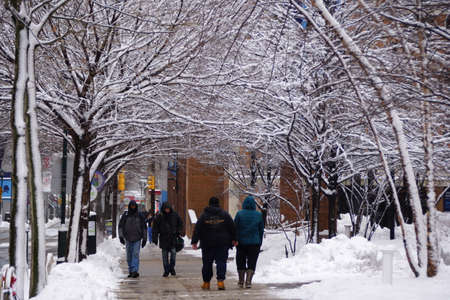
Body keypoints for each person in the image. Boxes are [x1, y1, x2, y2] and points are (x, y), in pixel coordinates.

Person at [191, 197, 237, 291]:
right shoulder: (225, 214)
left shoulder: (204, 216)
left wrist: (194, 241)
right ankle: (220, 282)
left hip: (207, 243)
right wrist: (234, 239)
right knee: (221, 262)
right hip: (222, 243)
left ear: (209, 204)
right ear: (218, 204)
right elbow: (232, 227)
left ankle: (206, 283)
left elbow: (197, 229)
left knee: (207, 263)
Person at [234, 195, 264, 288]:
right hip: (254, 243)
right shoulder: (259, 215)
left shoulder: (239, 214)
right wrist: (260, 241)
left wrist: (235, 240)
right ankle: (248, 281)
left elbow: (235, 228)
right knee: (252, 261)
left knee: (240, 261)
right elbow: (261, 230)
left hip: (241, 243)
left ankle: (241, 280)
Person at [152, 202, 184, 277]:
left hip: (172, 238)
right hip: (163, 238)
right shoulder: (159, 216)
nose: (167, 210)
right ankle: (166, 270)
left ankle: (172, 268)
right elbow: (155, 228)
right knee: (164, 256)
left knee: (173, 254)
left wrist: (178, 231)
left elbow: (180, 223)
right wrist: (155, 237)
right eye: (166, 209)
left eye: (168, 209)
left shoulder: (175, 215)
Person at [118, 200, 147, 278]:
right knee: (129, 255)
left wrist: (144, 238)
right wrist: (121, 236)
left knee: (135, 254)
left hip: (137, 238)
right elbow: (120, 226)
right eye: (132, 206)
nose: (133, 207)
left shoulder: (140, 215)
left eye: (134, 206)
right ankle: (131, 270)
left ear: (136, 206)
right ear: (130, 206)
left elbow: (144, 228)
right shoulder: (125, 215)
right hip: (128, 238)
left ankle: (134, 270)